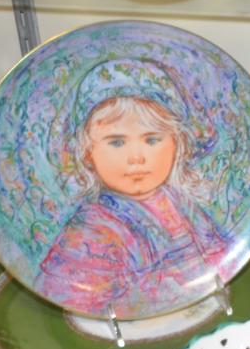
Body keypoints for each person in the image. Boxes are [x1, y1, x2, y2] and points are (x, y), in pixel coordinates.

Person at [37, 59, 231, 318]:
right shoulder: (93, 229)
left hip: (196, 315)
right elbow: (74, 299)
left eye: (152, 139)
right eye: (117, 142)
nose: (136, 157)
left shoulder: (178, 203)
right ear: (87, 152)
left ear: (178, 144)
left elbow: (222, 261)